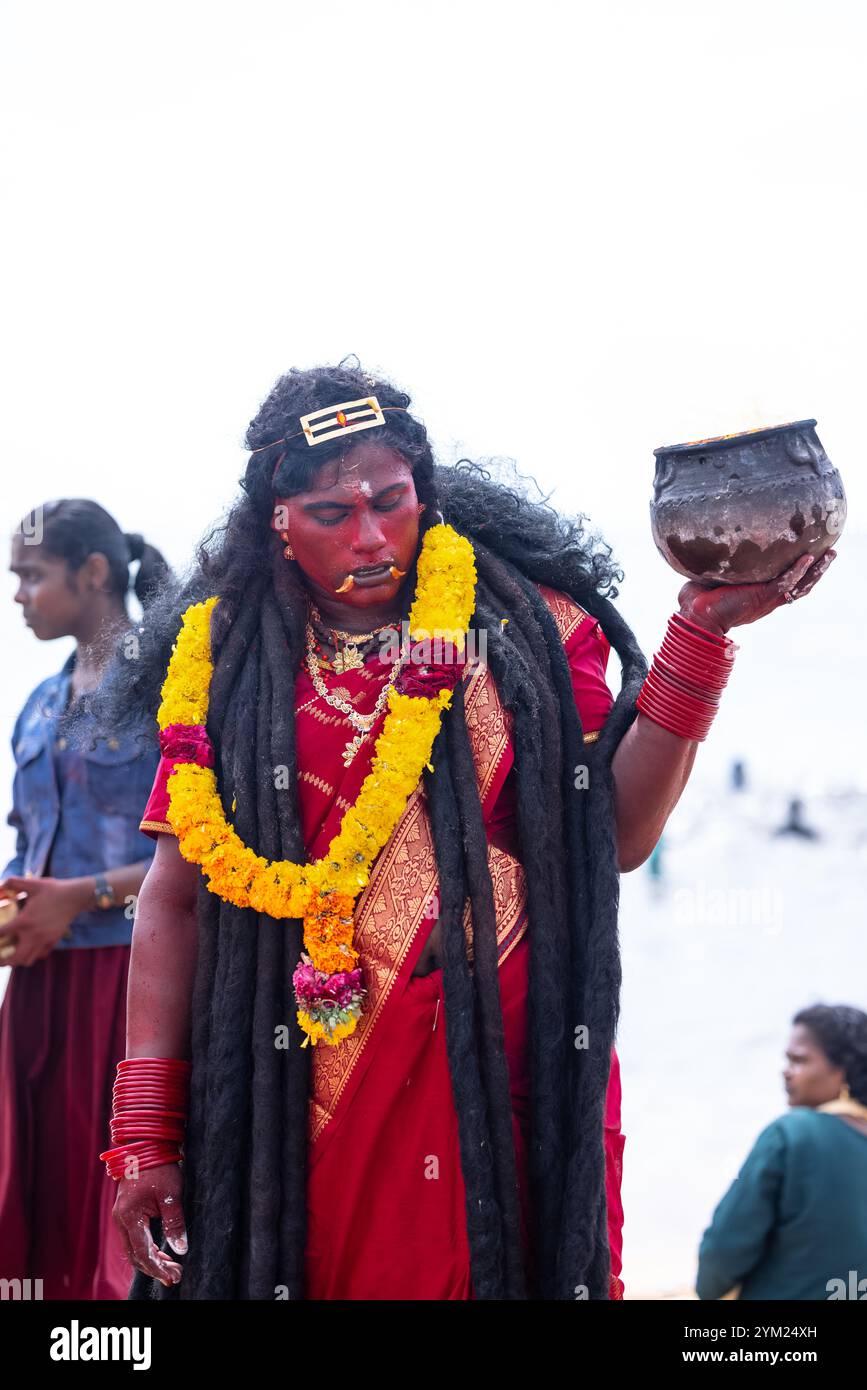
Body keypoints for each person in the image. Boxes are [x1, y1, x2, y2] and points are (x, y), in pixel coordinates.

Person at [99, 361, 835, 1301]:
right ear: (276, 525)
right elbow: (173, 901)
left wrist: (699, 636)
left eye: (391, 500)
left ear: (424, 491)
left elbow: (608, 839)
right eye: (331, 513)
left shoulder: (525, 632)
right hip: (289, 1101)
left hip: (502, 1076)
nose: (370, 535)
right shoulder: (224, 665)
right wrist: (147, 1133)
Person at [0, 500, 171, 1298]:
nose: (19, 595)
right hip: (41, 982)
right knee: (31, 1187)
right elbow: (27, 841)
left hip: (133, 979)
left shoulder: (172, 685)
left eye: (32, 576)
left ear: (93, 573)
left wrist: (81, 897)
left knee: (122, 1192)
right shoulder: (37, 704)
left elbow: (201, 853)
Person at [696, 1004, 867, 1300]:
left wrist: (709, 1288)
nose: (786, 1072)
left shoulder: (792, 1134)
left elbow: (722, 1255)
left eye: (799, 1060)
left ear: (843, 1070)